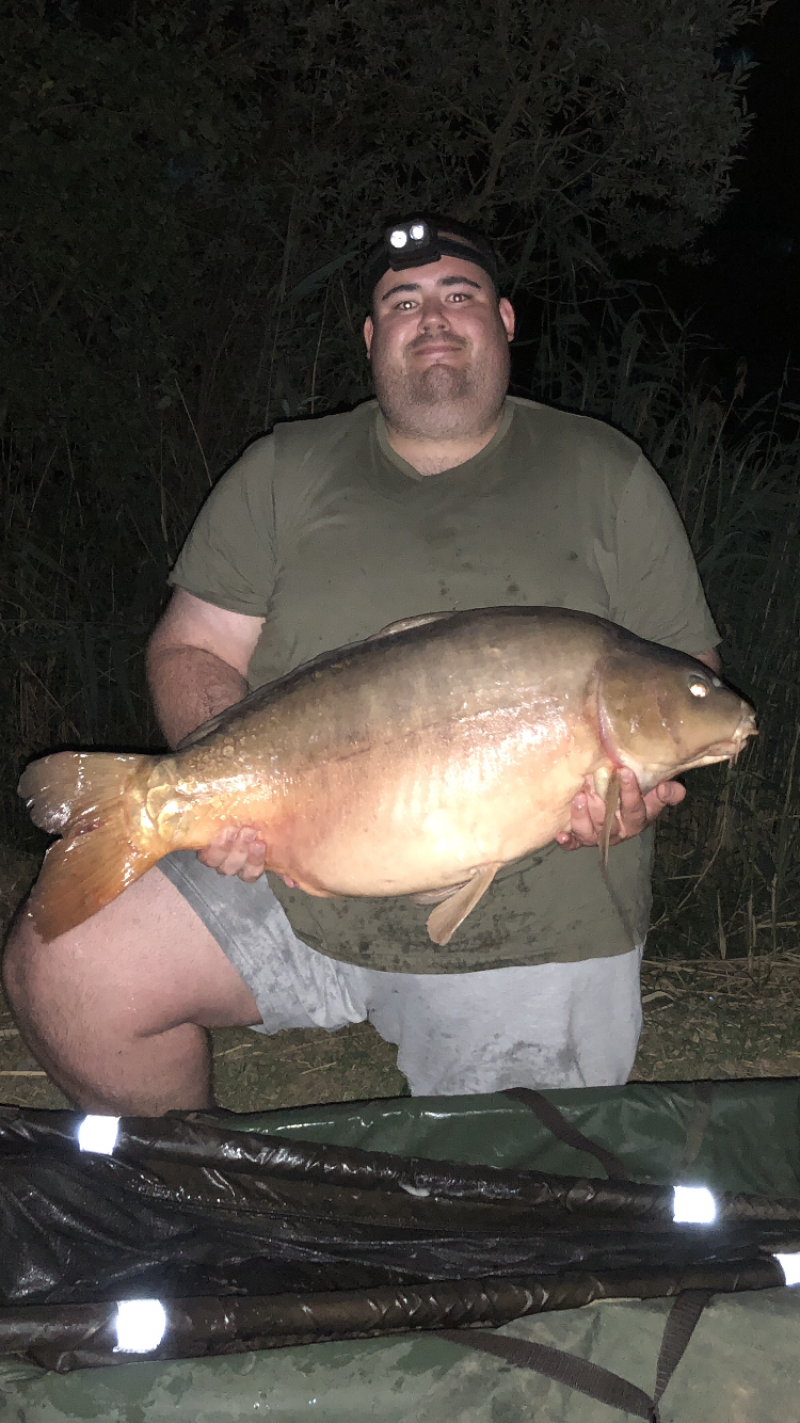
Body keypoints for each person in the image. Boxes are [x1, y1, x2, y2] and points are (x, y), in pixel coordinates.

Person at [3, 216, 721, 1114]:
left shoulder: (608, 473)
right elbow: (189, 647)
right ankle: (200, 1196)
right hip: (290, 874)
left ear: (503, 321)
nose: (433, 317)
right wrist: (228, 788)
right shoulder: (282, 471)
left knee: (501, 1205)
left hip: (535, 921)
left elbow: (684, 666)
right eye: (403, 301)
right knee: (67, 966)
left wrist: (643, 786)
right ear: (372, 338)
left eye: (459, 296)